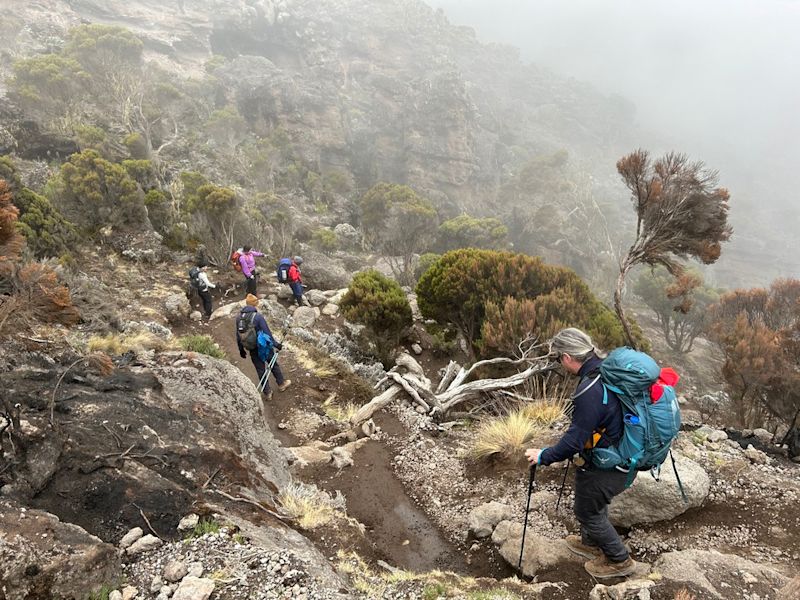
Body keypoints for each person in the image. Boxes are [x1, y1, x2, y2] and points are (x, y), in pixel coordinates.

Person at [524, 327, 638, 579]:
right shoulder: (605, 370)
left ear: (567, 357)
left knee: (587, 511)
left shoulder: (590, 389)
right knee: (592, 499)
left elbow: (574, 442)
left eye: (557, 358)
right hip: (620, 453)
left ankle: (619, 560)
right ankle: (589, 543)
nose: (559, 363)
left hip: (611, 461)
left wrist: (543, 455)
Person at [235, 294, 291, 401]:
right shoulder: (257, 317)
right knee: (273, 364)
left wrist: (241, 350)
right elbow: (267, 333)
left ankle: (267, 393)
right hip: (263, 346)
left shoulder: (239, 318)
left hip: (251, 348)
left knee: (260, 370)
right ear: (254, 304)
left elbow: (238, 335)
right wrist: (276, 345)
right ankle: (281, 384)